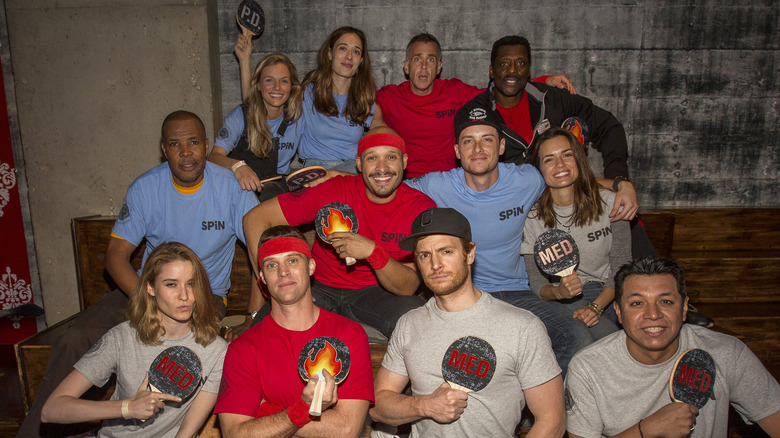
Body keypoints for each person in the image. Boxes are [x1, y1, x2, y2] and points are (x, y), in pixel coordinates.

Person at [17, 111, 260, 438]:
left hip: (202, 296)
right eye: (175, 144)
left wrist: (252, 318)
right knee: (74, 338)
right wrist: (153, 300)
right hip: (144, 288)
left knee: (202, 356)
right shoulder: (147, 188)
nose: (185, 152)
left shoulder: (232, 188)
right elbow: (115, 257)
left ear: (205, 146)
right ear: (164, 149)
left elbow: (264, 254)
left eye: (192, 143)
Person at [406, 102, 592, 375]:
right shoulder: (438, 185)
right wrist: (335, 177)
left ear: (502, 146)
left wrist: (618, 184)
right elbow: (384, 184)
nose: (478, 149)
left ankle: (544, 412)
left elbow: (566, 175)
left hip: (517, 291)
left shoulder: (527, 179)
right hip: (463, 294)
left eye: (487, 140)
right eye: (468, 141)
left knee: (576, 337)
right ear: (457, 151)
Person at [371, 208, 565, 437]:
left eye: (446, 251)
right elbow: (378, 406)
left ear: (470, 253)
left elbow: (552, 420)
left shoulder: (522, 326)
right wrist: (424, 405)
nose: (435, 264)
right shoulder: (409, 324)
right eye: (425, 255)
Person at [243, 128, 435, 339]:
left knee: (422, 322)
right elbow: (255, 219)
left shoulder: (420, 208)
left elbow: (408, 287)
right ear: (359, 163)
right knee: (261, 336)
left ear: (404, 161)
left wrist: (373, 252)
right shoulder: (333, 189)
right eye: (372, 158)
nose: (382, 168)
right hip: (318, 287)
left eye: (391, 157)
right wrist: (267, 285)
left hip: (375, 293)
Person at [565, 257, 780, 437]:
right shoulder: (588, 368)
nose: (653, 314)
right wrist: (647, 429)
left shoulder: (726, 353)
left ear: (685, 307)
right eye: (637, 303)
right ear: (619, 312)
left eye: (665, 301)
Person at [41, 242, 228, 437]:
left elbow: (187, 430)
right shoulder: (122, 338)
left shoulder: (215, 350)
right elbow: (51, 410)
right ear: (150, 288)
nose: (185, 295)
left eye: (191, 283)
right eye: (171, 284)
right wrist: (127, 407)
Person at [215, 226, 373, 437]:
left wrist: (265, 411)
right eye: (272, 265)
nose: (283, 272)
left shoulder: (349, 334)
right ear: (262, 277)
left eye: (292, 260)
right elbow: (236, 434)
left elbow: (345, 429)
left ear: (311, 266)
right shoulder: (243, 348)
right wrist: (302, 409)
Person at [467, 35, 638, 222]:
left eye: (521, 63)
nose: (513, 70)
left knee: (630, 225)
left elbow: (609, 126)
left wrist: (618, 179)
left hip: (571, 204)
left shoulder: (553, 99)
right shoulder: (477, 114)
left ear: (529, 70)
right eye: (505, 64)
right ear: (492, 70)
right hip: (513, 213)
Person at [377, 33, 576, 178]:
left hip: (451, 181)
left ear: (439, 67)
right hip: (407, 181)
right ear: (406, 66)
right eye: (417, 59)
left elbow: (500, 89)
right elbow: (357, 106)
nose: (423, 67)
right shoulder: (388, 96)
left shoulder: (454, 91)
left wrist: (542, 80)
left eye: (430, 60)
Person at [521, 127, 629, 343]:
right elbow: (537, 283)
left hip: (614, 290)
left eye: (567, 155)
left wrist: (597, 306)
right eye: (549, 159)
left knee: (633, 343)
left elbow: (622, 266)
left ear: (579, 158)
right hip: (567, 298)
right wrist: (559, 292)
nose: (560, 165)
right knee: (608, 343)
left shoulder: (611, 203)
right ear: (539, 169)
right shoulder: (532, 217)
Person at [209, 50, 303, 202]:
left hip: (276, 189)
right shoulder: (240, 116)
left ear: (292, 86)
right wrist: (237, 166)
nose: (277, 87)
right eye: (269, 80)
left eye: (284, 81)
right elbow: (213, 157)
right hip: (240, 188)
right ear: (258, 85)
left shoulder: (297, 118)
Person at [296, 26, 386, 173]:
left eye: (356, 51)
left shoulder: (364, 99)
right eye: (343, 48)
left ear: (361, 60)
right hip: (317, 169)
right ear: (330, 53)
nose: (349, 56)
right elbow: (260, 108)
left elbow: (383, 134)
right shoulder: (307, 92)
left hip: (352, 169)